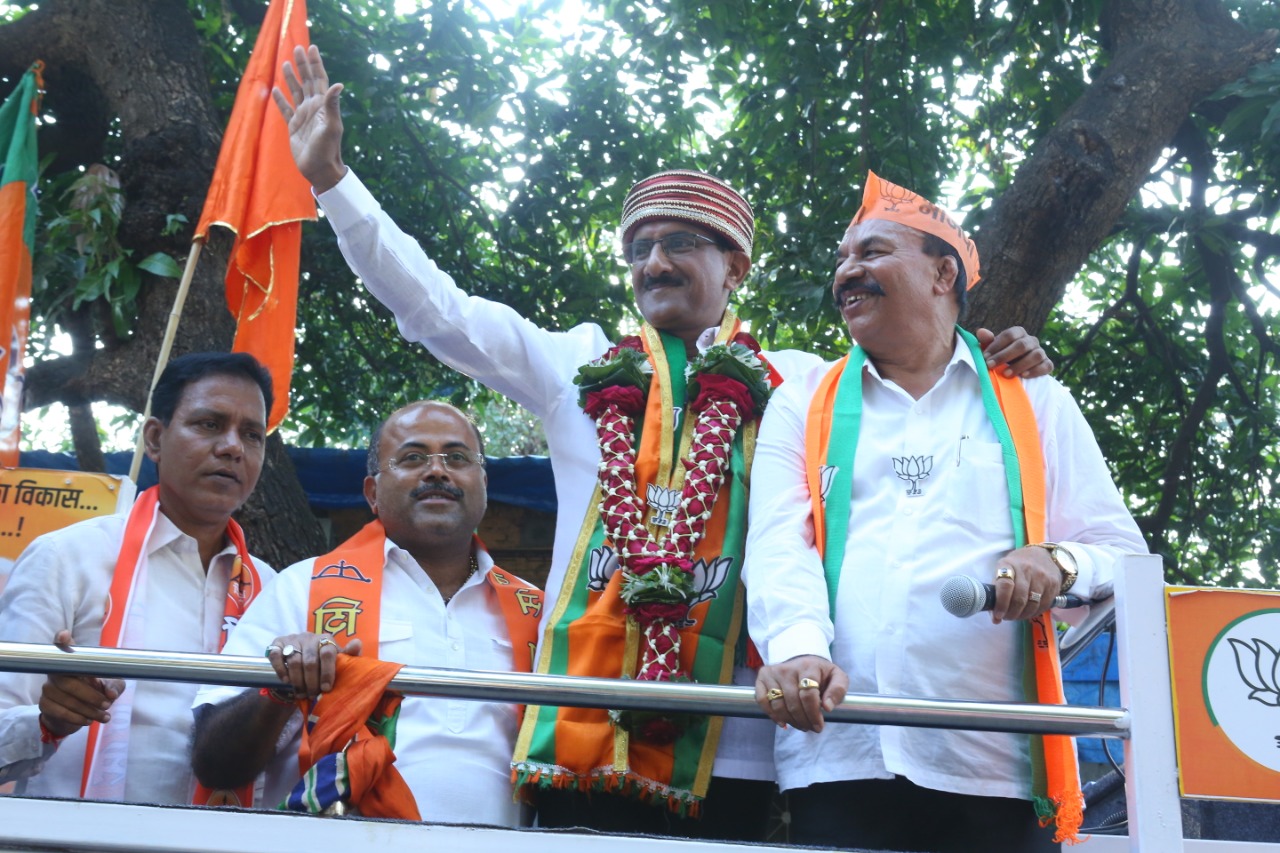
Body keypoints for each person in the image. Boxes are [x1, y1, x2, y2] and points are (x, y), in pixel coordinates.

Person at [271, 44, 1052, 838]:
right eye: (639, 246)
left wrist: (991, 356)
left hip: (736, 737)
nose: (654, 261)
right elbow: (436, 309)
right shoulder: (575, 365)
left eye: (680, 241)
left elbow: (915, 378)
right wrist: (333, 181)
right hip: (579, 727)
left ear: (735, 265)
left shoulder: (800, 382)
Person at [744, 171, 1149, 852]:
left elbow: (1123, 552)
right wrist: (797, 651)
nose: (848, 270)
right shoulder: (803, 398)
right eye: (843, 259)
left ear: (941, 274)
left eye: (871, 252)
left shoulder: (1036, 400)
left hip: (996, 765)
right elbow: (782, 544)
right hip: (841, 751)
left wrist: (1058, 560)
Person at [190, 401, 543, 824]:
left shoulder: (539, 611)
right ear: (372, 494)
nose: (437, 471)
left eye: (457, 458)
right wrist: (280, 688)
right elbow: (214, 763)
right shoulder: (302, 587)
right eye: (413, 458)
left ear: (483, 485)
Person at [0, 352, 274, 803]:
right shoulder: (67, 558)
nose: (232, 447)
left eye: (251, 434)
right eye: (209, 424)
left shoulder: (270, 589)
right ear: (154, 438)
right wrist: (48, 723)